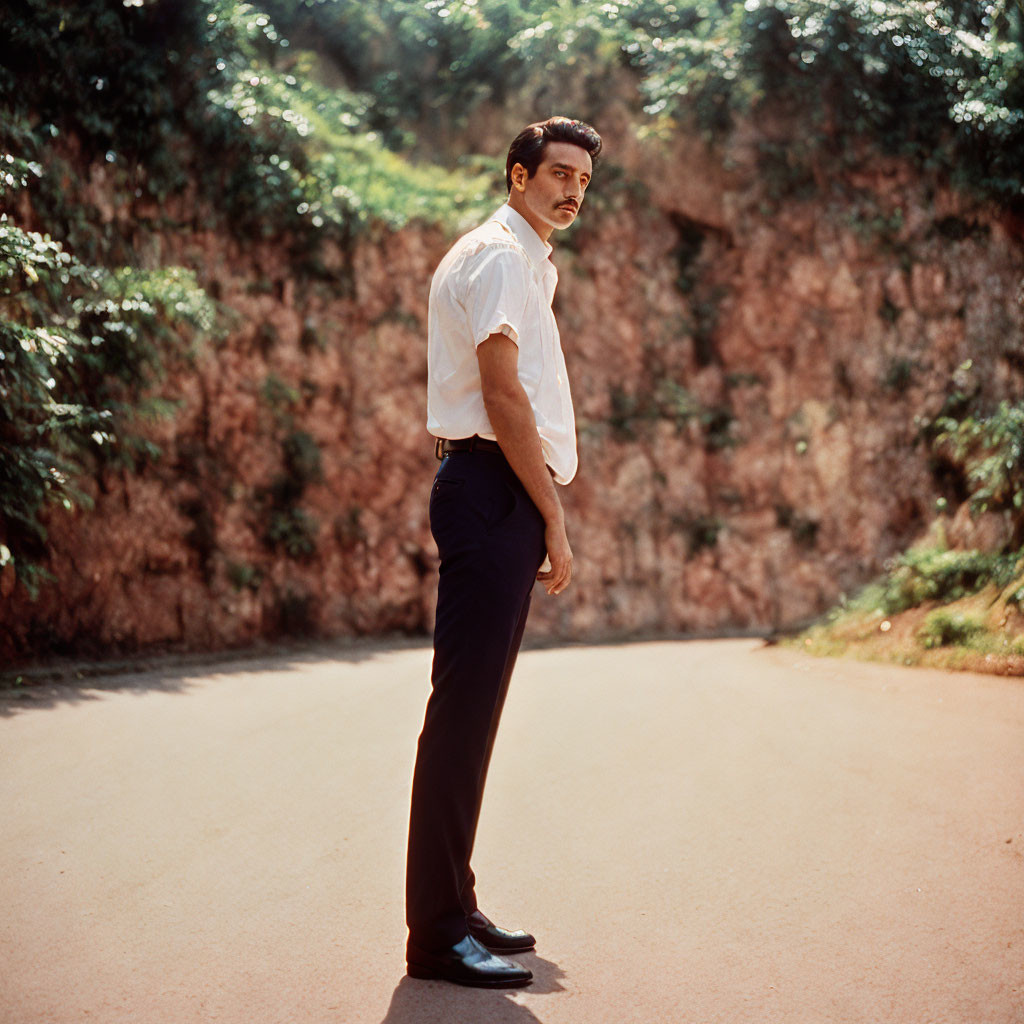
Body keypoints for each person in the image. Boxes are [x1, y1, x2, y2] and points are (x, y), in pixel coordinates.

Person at [405, 116, 602, 988]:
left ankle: (457, 901)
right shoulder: (497, 257)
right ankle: (438, 934)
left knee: (476, 712)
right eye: (558, 173)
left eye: (584, 181)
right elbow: (500, 389)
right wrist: (552, 517)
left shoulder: (525, 261)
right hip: (492, 489)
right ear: (518, 175)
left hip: (495, 488)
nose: (572, 190)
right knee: (462, 712)